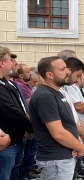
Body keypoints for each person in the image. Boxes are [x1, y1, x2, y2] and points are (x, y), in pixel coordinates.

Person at [29, 56, 84, 179]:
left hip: (62, 158)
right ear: (50, 75)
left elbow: (68, 123)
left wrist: (77, 141)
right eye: (62, 69)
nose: (68, 71)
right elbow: (58, 133)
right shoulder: (46, 96)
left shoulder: (57, 92)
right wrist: (81, 147)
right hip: (56, 161)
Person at [0, 46, 34, 180]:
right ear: (2, 63)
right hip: (7, 143)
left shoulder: (5, 83)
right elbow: (12, 111)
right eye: (10, 60)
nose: (14, 65)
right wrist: (31, 127)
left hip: (16, 138)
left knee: (15, 172)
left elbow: (19, 108)